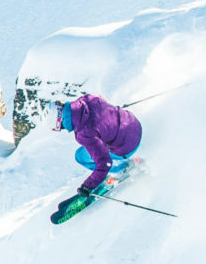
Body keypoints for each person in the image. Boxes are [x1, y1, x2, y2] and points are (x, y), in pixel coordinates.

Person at [51, 90, 142, 223]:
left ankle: (122, 169)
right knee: (98, 142)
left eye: (59, 127)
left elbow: (104, 163)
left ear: (61, 121)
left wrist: (88, 187)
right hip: (133, 123)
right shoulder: (87, 99)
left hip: (128, 146)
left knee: (81, 156)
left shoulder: (84, 133)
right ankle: (119, 162)